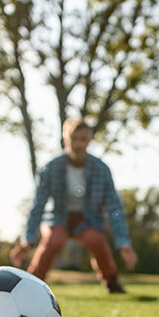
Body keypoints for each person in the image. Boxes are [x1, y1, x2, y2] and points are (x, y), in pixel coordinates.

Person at [11, 118, 138, 292]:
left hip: (87, 219)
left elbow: (114, 208)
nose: (78, 144)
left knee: (96, 239)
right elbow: (37, 206)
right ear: (65, 140)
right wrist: (27, 240)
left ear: (90, 140)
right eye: (73, 139)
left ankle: (112, 282)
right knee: (54, 240)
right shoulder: (50, 168)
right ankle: (32, 284)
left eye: (83, 139)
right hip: (57, 218)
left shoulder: (101, 170)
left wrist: (124, 243)